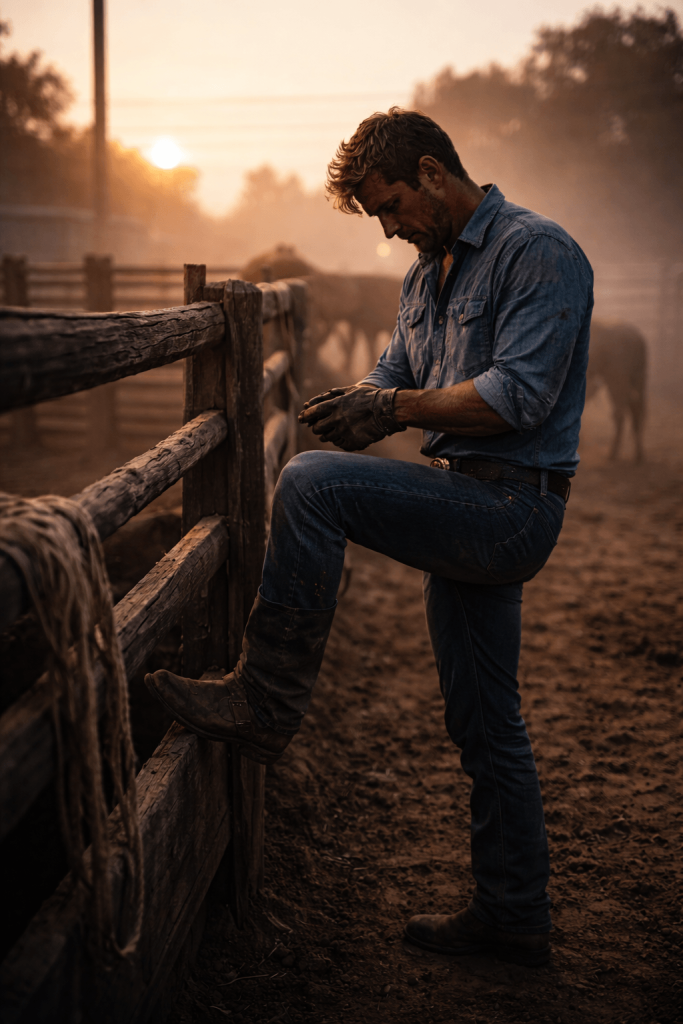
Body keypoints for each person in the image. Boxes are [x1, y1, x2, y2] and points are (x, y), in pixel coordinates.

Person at [146, 107, 593, 968]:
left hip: (511, 506)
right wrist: (355, 398)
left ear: (431, 172)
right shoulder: (425, 277)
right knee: (482, 718)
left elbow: (518, 396)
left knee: (310, 483)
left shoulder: (536, 251)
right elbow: (396, 372)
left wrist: (389, 409)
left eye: (390, 206)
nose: (388, 230)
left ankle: (265, 700)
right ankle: (514, 913)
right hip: (462, 498)